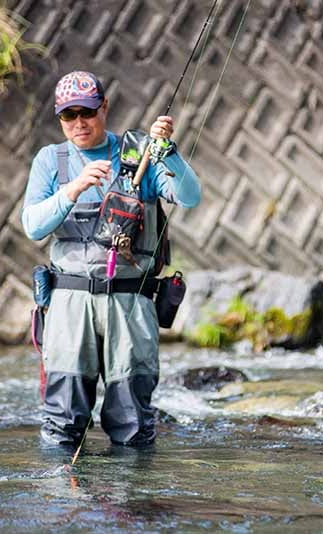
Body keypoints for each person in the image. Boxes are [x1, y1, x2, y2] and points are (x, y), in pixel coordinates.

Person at [21, 71, 201, 447]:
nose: (78, 123)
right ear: (59, 118)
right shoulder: (49, 161)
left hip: (130, 303)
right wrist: (73, 189)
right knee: (62, 424)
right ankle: (67, 504)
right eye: (68, 116)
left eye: (86, 112)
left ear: (103, 107)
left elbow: (190, 196)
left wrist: (169, 152)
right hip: (70, 304)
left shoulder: (140, 154)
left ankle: (132, 502)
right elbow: (33, 226)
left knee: (133, 424)